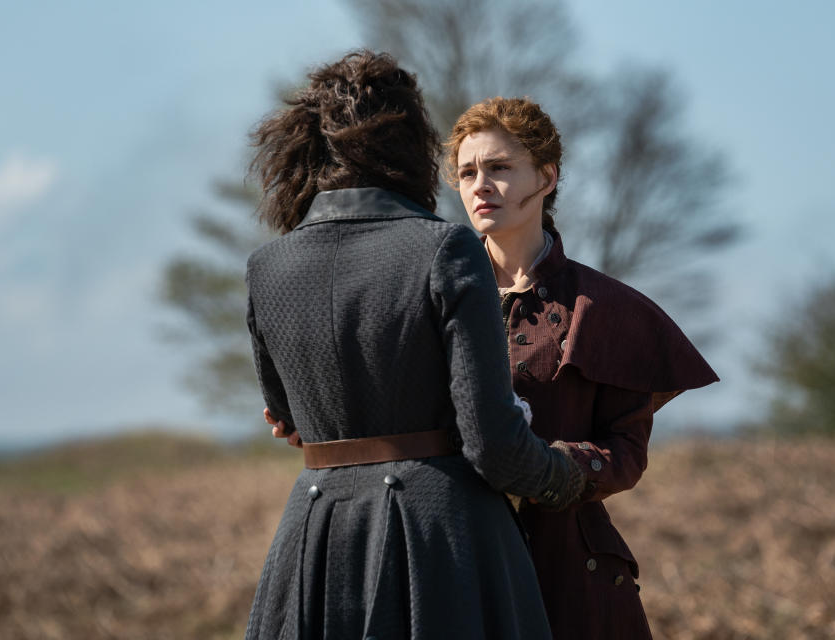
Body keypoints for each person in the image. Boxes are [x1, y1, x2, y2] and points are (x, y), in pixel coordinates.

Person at [242, 53, 585, 640]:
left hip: (315, 537)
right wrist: (564, 478)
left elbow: (292, 420)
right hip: (439, 544)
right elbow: (493, 445)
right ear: (408, 146)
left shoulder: (266, 266)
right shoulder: (446, 249)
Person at [446, 97, 719, 639]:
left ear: (546, 177)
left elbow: (626, 453)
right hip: (454, 561)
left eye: (500, 167)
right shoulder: (431, 298)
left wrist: (549, 468)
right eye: (468, 172)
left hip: (572, 577)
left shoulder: (605, 308)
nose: (480, 184)